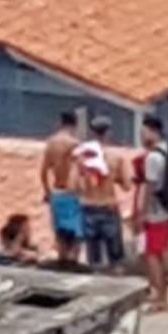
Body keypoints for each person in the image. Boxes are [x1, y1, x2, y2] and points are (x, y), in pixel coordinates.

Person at [133, 115, 168, 312]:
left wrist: (141, 214)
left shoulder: (152, 158)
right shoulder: (167, 151)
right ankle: (163, 294)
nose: (142, 136)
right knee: (161, 253)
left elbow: (150, 187)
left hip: (155, 212)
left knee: (152, 255)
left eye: (144, 132)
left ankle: (158, 296)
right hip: (167, 211)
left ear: (153, 132)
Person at [77, 115, 130, 269]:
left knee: (94, 258)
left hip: (88, 205)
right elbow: (127, 185)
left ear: (92, 133)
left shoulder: (82, 157)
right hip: (108, 206)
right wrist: (115, 178)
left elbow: (74, 183)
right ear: (108, 133)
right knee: (115, 257)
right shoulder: (116, 157)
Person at [40, 112, 83, 265]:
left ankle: (62, 265)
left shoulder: (51, 142)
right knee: (77, 236)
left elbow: (43, 172)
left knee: (60, 235)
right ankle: (73, 266)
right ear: (75, 125)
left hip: (56, 193)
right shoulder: (75, 144)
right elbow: (78, 173)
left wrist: (47, 192)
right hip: (72, 194)